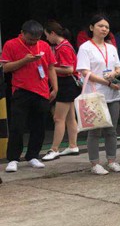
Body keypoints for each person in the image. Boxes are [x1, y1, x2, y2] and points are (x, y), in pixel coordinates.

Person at [0, 20, 58, 172]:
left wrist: (55, 87)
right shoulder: (11, 44)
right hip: (21, 90)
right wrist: (24, 60)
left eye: (36, 39)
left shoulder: (44, 45)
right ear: (22, 33)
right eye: (30, 39)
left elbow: (51, 67)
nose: (33, 42)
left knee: (39, 126)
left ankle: (33, 155)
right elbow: (5, 68)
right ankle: (13, 158)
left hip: (42, 90)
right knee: (17, 126)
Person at [76, 14, 120, 175]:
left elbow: (118, 68)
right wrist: (107, 82)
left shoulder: (111, 48)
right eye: (100, 26)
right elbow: (85, 72)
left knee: (112, 130)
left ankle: (112, 160)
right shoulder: (85, 48)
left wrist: (114, 74)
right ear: (91, 28)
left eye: (107, 27)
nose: (104, 29)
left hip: (112, 93)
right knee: (95, 131)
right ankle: (95, 163)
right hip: (95, 94)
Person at [42, 21, 80, 161]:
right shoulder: (64, 45)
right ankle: (73, 145)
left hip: (66, 84)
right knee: (70, 117)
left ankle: (54, 149)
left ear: (52, 33)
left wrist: (50, 68)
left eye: (47, 35)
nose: (47, 39)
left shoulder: (63, 48)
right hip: (69, 84)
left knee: (58, 118)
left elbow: (69, 69)